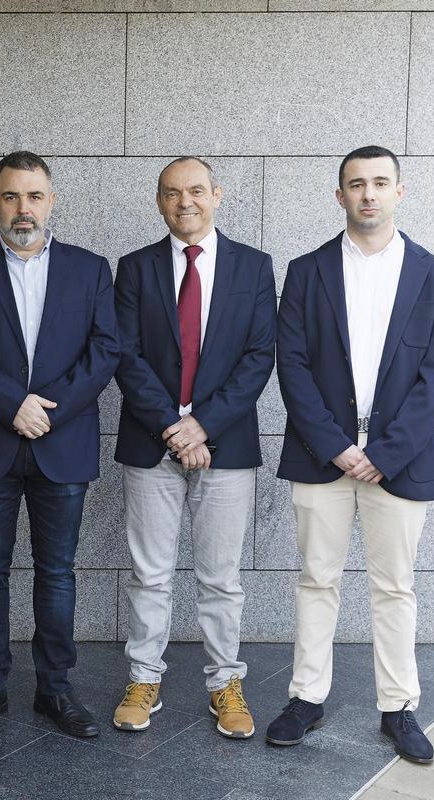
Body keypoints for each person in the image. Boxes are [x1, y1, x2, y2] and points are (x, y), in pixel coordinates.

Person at [266, 146, 434, 765]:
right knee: (316, 579)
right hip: (323, 457)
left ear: (400, 191)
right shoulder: (307, 270)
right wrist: (339, 448)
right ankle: (306, 697)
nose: (368, 194)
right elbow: (291, 366)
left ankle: (399, 707)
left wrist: (386, 452)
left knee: (394, 587)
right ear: (340, 195)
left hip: (398, 464)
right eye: (356, 184)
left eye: (380, 183)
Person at [0, 151, 119, 739]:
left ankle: (55, 689)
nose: (23, 208)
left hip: (60, 443)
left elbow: (104, 350)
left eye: (34, 196)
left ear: (52, 200)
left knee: (57, 572)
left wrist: (48, 411)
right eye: (11, 196)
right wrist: (11, 403)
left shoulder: (89, 270)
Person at [111, 157, 276, 739]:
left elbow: (260, 357)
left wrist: (202, 425)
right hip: (151, 441)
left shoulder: (254, 268)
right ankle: (144, 678)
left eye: (197, 191)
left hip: (225, 445)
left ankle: (225, 684)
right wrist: (173, 427)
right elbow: (124, 355)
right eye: (173, 192)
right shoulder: (133, 269)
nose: (186, 202)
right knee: (149, 574)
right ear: (159, 201)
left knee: (221, 578)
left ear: (218, 196)